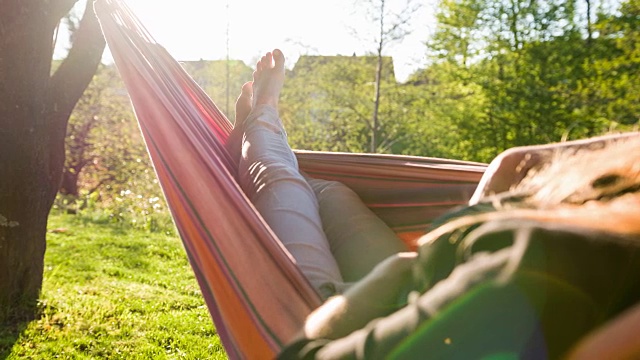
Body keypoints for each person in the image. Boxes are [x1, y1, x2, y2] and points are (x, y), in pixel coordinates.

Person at [229, 49, 640, 359]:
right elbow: (514, 163)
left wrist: (390, 278)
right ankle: (258, 140)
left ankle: (262, 119)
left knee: (276, 175)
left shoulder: (529, 270)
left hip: (329, 315)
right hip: (420, 280)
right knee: (331, 191)